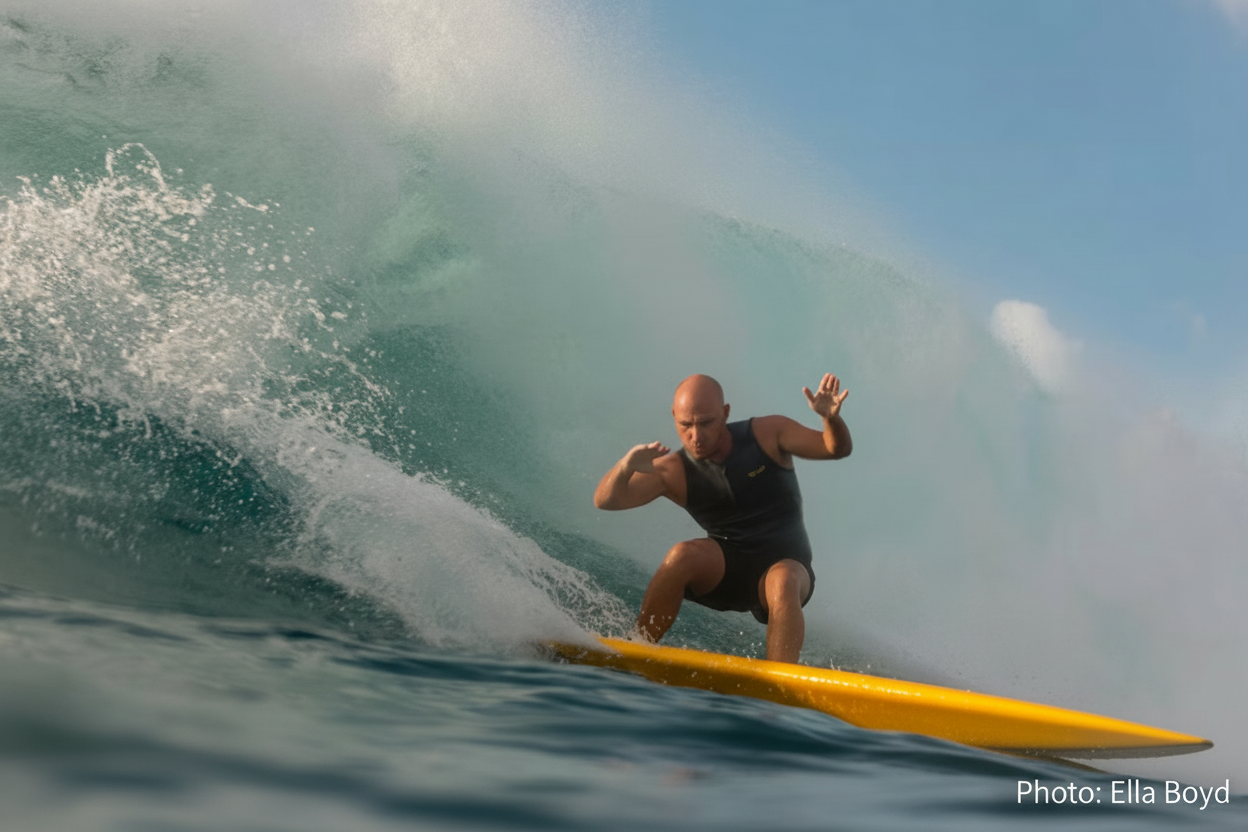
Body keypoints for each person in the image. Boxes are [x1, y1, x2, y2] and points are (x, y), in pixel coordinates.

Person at [593, 373, 852, 664]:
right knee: (681, 555)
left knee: (782, 580)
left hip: (788, 570)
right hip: (727, 571)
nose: (696, 435)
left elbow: (836, 449)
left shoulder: (768, 434)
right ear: (674, 417)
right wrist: (625, 466)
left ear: (725, 413)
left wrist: (831, 420)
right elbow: (606, 500)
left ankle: (782, 686)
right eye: (686, 425)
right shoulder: (673, 471)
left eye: (706, 423)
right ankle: (633, 651)